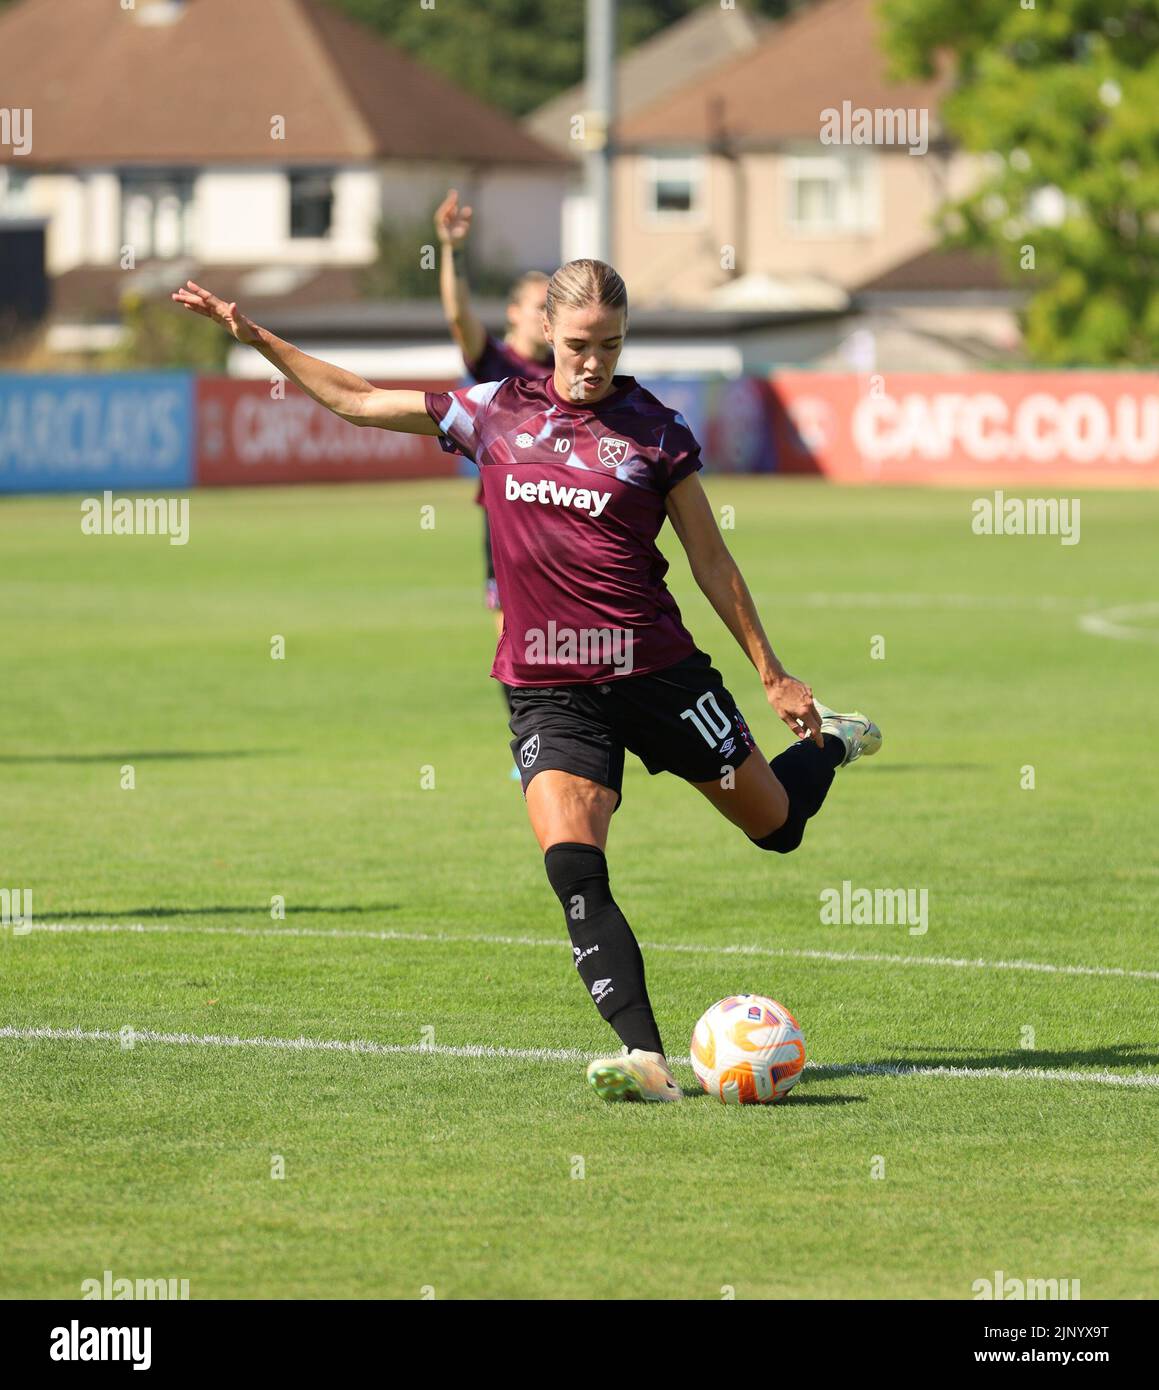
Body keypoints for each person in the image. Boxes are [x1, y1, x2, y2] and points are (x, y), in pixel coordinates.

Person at [171, 260, 882, 1106]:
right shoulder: (492, 410)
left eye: (611, 346)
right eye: (580, 345)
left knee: (775, 828)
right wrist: (255, 338)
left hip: (657, 673)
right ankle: (645, 1059)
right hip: (549, 685)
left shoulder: (657, 433)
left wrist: (772, 673)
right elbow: (359, 399)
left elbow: (709, 560)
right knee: (574, 867)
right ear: (548, 332)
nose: (594, 362)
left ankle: (833, 742)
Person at [434, 189, 552, 648]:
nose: (548, 315)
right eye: (540, 305)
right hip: (507, 512)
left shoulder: (570, 372)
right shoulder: (496, 363)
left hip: (566, 506)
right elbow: (458, 315)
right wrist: (452, 249)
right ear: (513, 313)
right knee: (511, 622)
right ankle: (525, 712)